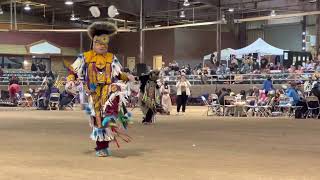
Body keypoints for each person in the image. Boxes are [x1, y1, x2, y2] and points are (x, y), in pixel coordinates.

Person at [66, 22, 134, 157]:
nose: (103, 46)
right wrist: (70, 79)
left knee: (107, 118)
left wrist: (128, 77)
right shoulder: (85, 56)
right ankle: (100, 147)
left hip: (109, 92)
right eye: (100, 44)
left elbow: (118, 73)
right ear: (93, 43)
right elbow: (73, 70)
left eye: (105, 44)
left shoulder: (111, 57)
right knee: (98, 119)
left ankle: (104, 142)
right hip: (93, 93)